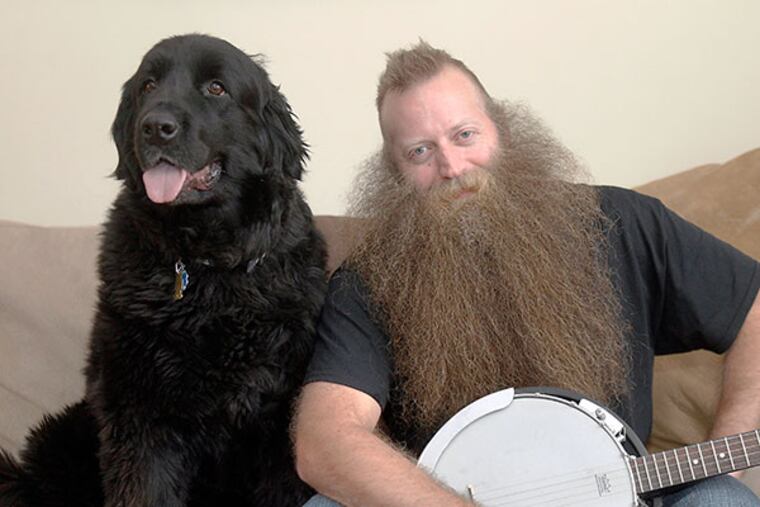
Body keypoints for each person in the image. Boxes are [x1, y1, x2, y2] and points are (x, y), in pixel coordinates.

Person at [292, 41, 760, 506]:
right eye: (419, 152)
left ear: (503, 131)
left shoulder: (623, 224)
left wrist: (729, 455)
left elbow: (753, 306)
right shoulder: (370, 283)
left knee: (724, 498)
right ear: (394, 174)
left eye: (465, 134)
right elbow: (324, 438)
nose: (452, 167)